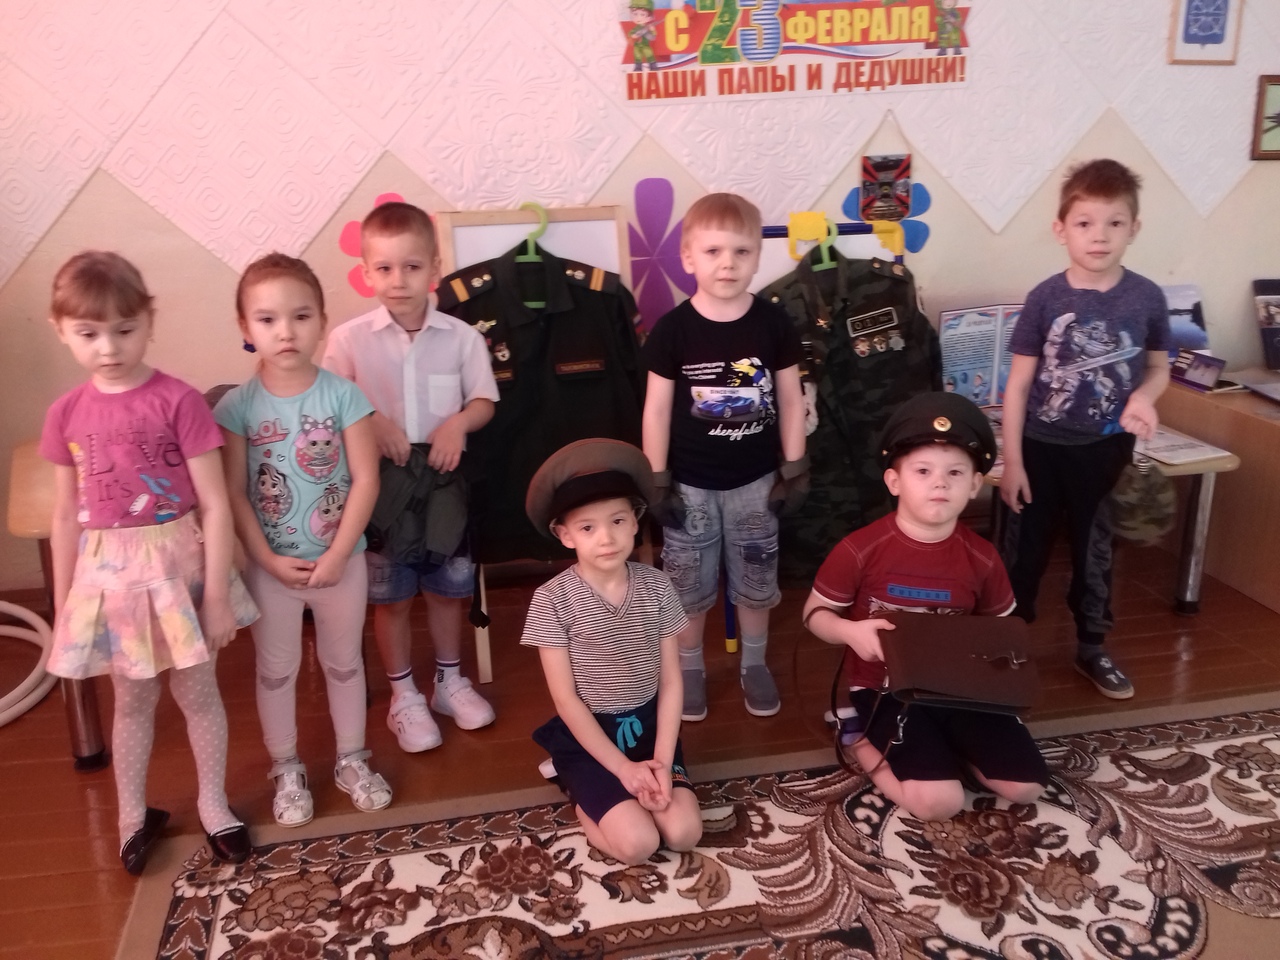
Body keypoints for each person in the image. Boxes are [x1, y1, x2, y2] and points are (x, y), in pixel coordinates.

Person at [40, 252, 260, 874]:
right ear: (62, 330)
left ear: (148, 321)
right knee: (133, 701)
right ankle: (131, 817)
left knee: (199, 693)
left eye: (124, 329)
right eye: (89, 333)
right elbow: (66, 515)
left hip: (179, 567)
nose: (109, 347)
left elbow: (214, 504)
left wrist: (215, 597)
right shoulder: (65, 413)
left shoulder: (179, 401)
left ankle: (213, 803)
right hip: (110, 581)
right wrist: (63, 607)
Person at [803, 392, 1049, 821]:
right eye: (923, 471)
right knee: (939, 803)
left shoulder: (982, 557)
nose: (940, 483)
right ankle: (857, 739)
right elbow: (814, 614)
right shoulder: (859, 550)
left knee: (1026, 787)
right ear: (894, 481)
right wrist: (850, 632)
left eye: (955, 472)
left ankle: (954, 748)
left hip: (961, 689)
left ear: (975, 484)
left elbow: (1001, 630)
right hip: (885, 690)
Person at [215, 252, 391, 827]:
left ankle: (352, 759)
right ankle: (286, 767)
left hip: (342, 564)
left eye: (301, 316)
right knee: (276, 669)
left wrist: (338, 554)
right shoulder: (236, 408)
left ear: (321, 321)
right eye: (267, 319)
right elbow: (234, 492)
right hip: (272, 571)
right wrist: (265, 559)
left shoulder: (345, 397)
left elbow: (366, 479)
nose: (285, 331)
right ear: (245, 326)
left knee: (344, 663)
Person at [322, 201, 499, 753]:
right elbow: (329, 401)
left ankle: (449, 681)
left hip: (445, 483)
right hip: (381, 488)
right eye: (384, 268)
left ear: (435, 269)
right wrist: (371, 421)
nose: (398, 280)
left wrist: (457, 424)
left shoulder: (463, 337)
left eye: (412, 266)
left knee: (447, 590)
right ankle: (404, 694)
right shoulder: (348, 340)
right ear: (366, 272)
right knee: (392, 595)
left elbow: (484, 400)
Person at [999, 159, 1172, 700]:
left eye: (1114, 223)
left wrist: (1143, 397)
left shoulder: (1147, 298)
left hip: (1105, 453)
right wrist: (1013, 463)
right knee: (1022, 554)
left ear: (1134, 228)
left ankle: (1092, 646)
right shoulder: (1045, 298)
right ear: (1061, 230)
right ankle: (1006, 648)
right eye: (1085, 223)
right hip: (1039, 450)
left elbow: (1159, 368)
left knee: (1095, 554)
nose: (1099, 236)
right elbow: (1018, 386)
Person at [641, 192, 808, 723]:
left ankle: (753, 664)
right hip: (688, 486)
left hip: (757, 482)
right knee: (687, 586)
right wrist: (656, 479)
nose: (727, 264)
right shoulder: (672, 330)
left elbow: (791, 400)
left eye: (741, 251)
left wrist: (795, 469)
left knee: (756, 581)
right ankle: (689, 669)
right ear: (688, 257)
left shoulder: (774, 323)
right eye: (713, 251)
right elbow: (656, 411)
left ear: (758, 256)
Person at [522, 439, 703, 864]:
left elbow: (671, 680)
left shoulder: (657, 586)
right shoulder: (551, 600)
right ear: (565, 535)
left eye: (618, 520)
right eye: (587, 528)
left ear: (636, 522)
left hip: (651, 730)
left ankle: (639, 783)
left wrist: (661, 761)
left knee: (683, 833)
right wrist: (623, 770)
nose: (606, 537)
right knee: (639, 845)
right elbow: (566, 699)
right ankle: (574, 783)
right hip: (590, 738)